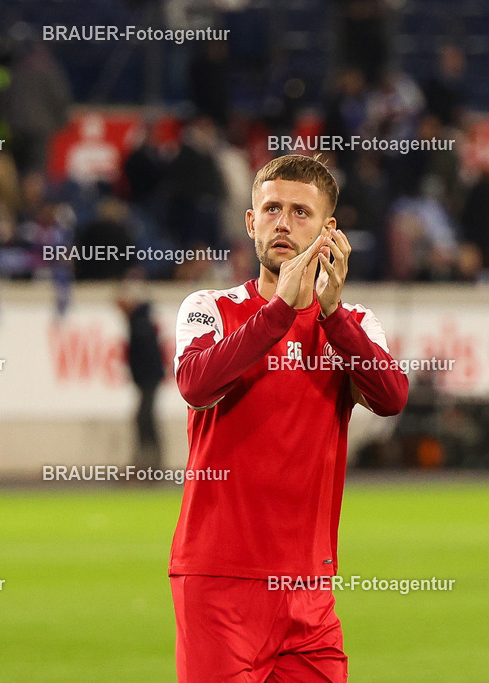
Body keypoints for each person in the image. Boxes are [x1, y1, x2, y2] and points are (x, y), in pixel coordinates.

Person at [170, 154, 409, 681]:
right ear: (251, 222)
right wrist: (279, 311)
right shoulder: (208, 306)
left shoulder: (354, 323)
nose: (283, 222)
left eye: (302, 213)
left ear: (330, 231)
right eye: (272, 209)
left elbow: (391, 397)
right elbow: (196, 386)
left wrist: (331, 315)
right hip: (220, 578)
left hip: (311, 589)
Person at [117, 285, 166, 471]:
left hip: (148, 380)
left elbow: (146, 356)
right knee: (145, 418)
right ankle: (149, 463)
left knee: (144, 419)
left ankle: (147, 463)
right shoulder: (141, 321)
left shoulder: (140, 324)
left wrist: (142, 377)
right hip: (148, 379)